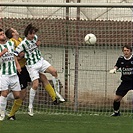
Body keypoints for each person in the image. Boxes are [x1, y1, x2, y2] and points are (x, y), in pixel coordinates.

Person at [5, 27, 63, 119]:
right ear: (12, 34)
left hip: (29, 66)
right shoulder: (11, 42)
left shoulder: (20, 40)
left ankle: (55, 98)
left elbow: (27, 50)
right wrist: (20, 59)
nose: (16, 30)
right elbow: (13, 56)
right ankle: (9, 109)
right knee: (21, 95)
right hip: (21, 70)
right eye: (14, 30)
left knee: (43, 78)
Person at [0, 28, 21, 121]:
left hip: (13, 73)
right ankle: (2, 114)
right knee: (4, 93)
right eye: (1, 34)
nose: (3, 35)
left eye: (3, 33)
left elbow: (13, 56)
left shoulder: (10, 43)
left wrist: (17, 65)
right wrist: (2, 53)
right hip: (4, 74)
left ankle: (1, 100)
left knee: (17, 95)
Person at [109, 44, 133, 116]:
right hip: (125, 82)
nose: (126, 52)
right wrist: (114, 69)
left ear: (131, 52)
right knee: (116, 99)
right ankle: (116, 112)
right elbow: (117, 65)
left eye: (127, 51)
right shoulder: (121, 59)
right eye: (124, 51)